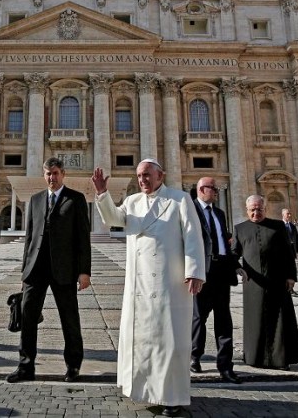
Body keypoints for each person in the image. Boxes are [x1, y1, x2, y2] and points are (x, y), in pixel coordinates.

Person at [93, 159, 206, 417]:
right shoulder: (132, 201)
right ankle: (142, 390)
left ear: (160, 176)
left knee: (168, 340)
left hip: (170, 283)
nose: (143, 180)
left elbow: (192, 234)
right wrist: (102, 194)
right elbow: (114, 219)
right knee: (142, 340)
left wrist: (195, 271)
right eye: (139, 176)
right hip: (139, 286)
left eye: (147, 175)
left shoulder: (178, 200)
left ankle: (171, 397)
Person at [6, 157, 91, 384]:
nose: (51, 178)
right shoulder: (35, 200)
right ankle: (25, 366)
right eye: (48, 174)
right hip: (36, 269)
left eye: (55, 173)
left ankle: (73, 365)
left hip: (64, 269)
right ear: (43, 175)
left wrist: (84, 271)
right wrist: (24, 273)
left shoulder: (76, 199)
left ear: (63, 174)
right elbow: (29, 239)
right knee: (27, 318)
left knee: (69, 318)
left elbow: (83, 238)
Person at [233, 195, 298, 369]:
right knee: (255, 320)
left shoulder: (278, 226)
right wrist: (236, 267)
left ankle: (280, 359)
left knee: (279, 320)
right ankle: (255, 358)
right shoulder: (240, 229)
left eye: (259, 209)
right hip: (253, 283)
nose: (256, 212)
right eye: (252, 210)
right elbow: (234, 253)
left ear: (265, 209)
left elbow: (288, 253)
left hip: (277, 280)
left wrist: (291, 276)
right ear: (247, 210)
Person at [189, 177, 246, 384]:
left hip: (222, 270)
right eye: (213, 189)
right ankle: (195, 356)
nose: (217, 192)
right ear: (201, 189)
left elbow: (224, 242)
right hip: (202, 271)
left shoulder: (219, 213)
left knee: (224, 320)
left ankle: (225, 366)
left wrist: (235, 265)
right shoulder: (190, 210)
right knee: (199, 318)